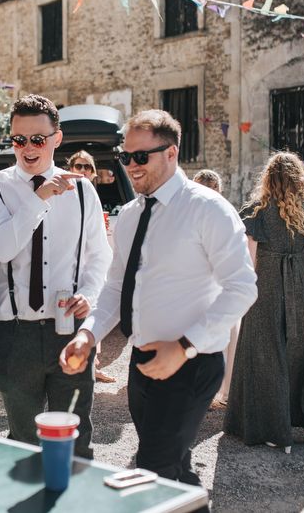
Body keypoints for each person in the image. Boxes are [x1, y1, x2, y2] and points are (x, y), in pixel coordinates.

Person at [59, 109, 257, 484]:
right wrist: (88, 335)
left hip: (193, 363)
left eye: (140, 156)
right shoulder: (130, 215)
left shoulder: (208, 209)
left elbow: (242, 287)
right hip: (142, 362)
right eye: (125, 156)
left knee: (153, 467)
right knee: (174, 470)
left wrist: (183, 347)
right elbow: (116, 285)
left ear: (171, 153)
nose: (130, 166)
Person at [0, 95, 112, 457]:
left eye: (38, 139)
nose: (27, 148)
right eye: (19, 139)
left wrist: (90, 295)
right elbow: (2, 248)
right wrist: (40, 198)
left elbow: (99, 256)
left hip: (69, 329)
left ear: (57, 139)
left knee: (75, 439)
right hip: (16, 335)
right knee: (25, 441)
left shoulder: (83, 190)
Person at [225, 152, 304, 450]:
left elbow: (248, 260)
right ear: (299, 177)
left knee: (266, 355)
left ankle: (271, 429)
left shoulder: (255, 210)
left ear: (268, 178)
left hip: (266, 285)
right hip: (302, 284)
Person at [67, 150, 116, 384]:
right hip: (75, 266)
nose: (83, 170)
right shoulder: (65, 193)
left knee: (96, 310)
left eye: (87, 167)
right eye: (79, 166)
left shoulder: (93, 194)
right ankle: (85, 365)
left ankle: (93, 364)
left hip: (95, 261)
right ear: (70, 168)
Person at [192, 169, 237, 408]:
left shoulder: (222, 215)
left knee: (217, 337)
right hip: (206, 284)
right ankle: (214, 392)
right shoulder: (226, 213)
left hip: (218, 283)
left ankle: (217, 391)